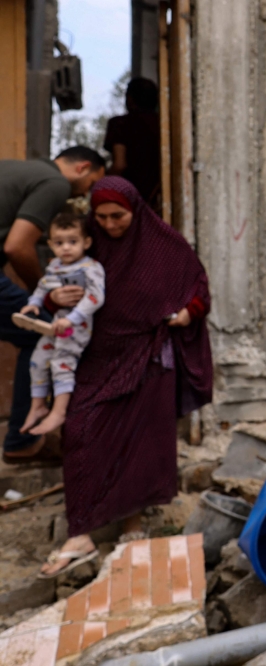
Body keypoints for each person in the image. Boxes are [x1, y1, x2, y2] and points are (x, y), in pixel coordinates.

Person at [38, 177, 212, 577]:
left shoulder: (164, 245)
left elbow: (197, 288)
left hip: (147, 356)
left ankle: (131, 526)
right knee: (81, 430)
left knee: (139, 444)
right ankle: (81, 530)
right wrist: (53, 299)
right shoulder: (89, 244)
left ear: (135, 210)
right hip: (97, 355)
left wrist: (188, 313)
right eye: (102, 217)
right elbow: (54, 284)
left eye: (119, 216)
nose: (111, 224)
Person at [0, 146, 105, 461]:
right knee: (41, 329)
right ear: (83, 167)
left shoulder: (16, 169)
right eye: (92, 184)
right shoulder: (54, 182)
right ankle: (22, 442)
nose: (87, 193)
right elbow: (17, 246)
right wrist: (46, 297)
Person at [19, 214, 105, 435]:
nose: (66, 248)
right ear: (50, 245)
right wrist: (34, 304)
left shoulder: (91, 267)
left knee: (62, 362)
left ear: (86, 242)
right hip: (57, 324)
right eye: (59, 243)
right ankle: (38, 406)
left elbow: (95, 297)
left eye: (72, 242)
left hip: (77, 326)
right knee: (38, 358)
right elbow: (43, 285)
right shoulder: (55, 266)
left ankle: (59, 411)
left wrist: (72, 318)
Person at [104, 78, 161, 206]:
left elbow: (119, 165)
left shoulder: (120, 124)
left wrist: (105, 184)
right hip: (158, 197)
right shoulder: (164, 125)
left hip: (127, 197)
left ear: (129, 99)